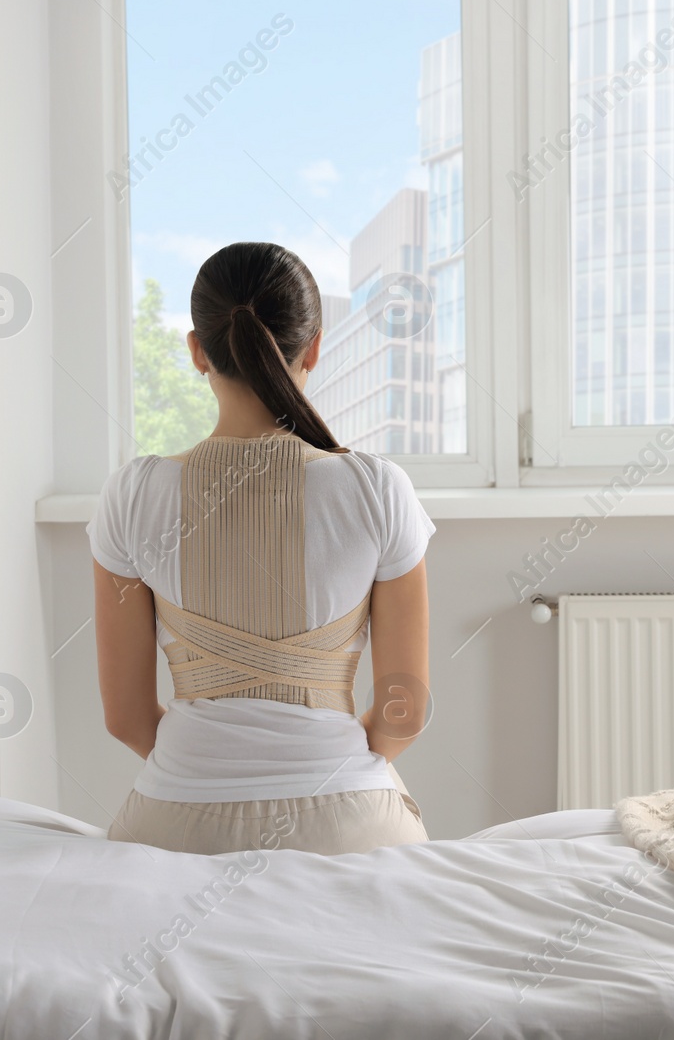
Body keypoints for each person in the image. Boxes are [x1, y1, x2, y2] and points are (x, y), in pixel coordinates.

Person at [88, 241, 435, 855]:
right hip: (350, 824)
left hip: (175, 823)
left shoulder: (134, 494)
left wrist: (213, 769)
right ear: (317, 346)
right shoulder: (378, 490)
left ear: (197, 351)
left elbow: (126, 717)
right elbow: (403, 712)